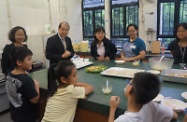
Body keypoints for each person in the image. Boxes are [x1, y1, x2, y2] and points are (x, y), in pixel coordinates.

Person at [108, 72, 178, 122]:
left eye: (129, 82)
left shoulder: (124, 119)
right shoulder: (152, 105)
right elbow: (175, 116)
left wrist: (112, 109)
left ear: (130, 89)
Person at [5, 46, 40, 122]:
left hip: (15, 112)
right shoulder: (26, 80)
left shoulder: (9, 74)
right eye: (29, 59)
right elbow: (35, 99)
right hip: (27, 116)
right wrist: (36, 85)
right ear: (19, 62)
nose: (31, 61)